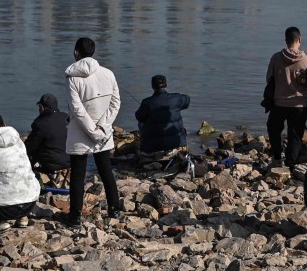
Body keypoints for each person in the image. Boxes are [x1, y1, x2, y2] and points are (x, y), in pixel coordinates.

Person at [62, 37, 122, 227]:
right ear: (93, 52)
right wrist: (102, 127)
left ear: (75, 52)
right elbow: (115, 103)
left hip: (81, 132)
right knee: (106, 171)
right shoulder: (108, 74)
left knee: (78, 175)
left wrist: (91, 129)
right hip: (103, 132)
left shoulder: (73, 78)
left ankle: (75, 217)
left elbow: (76, 108)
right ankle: (114, 209)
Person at [264, 26, 307, 171]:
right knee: (295, 134)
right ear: (299, 40)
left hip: (279, 103)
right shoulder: (306, 61)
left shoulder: (276, 58)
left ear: (286, 40)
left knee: (274, 130)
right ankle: (292, 161)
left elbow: (269, 79)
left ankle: (277, 159)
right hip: (299, 105)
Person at [134, 75, 191, 163]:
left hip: (152, 147)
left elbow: (139, 117)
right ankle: (174, 149)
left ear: (152, 86)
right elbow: (187, 99)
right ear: (166, 85)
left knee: (141, 123)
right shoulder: (177, 98)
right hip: (176, 143)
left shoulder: (147, 102)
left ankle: (151, 148)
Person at [25, 94, 70, 175]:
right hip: (71, 161)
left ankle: (34, 184)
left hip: (51, 165)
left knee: (26, 158)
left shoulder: (40, 123)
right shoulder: (65, 117)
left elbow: (30, 147)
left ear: (42, 107)